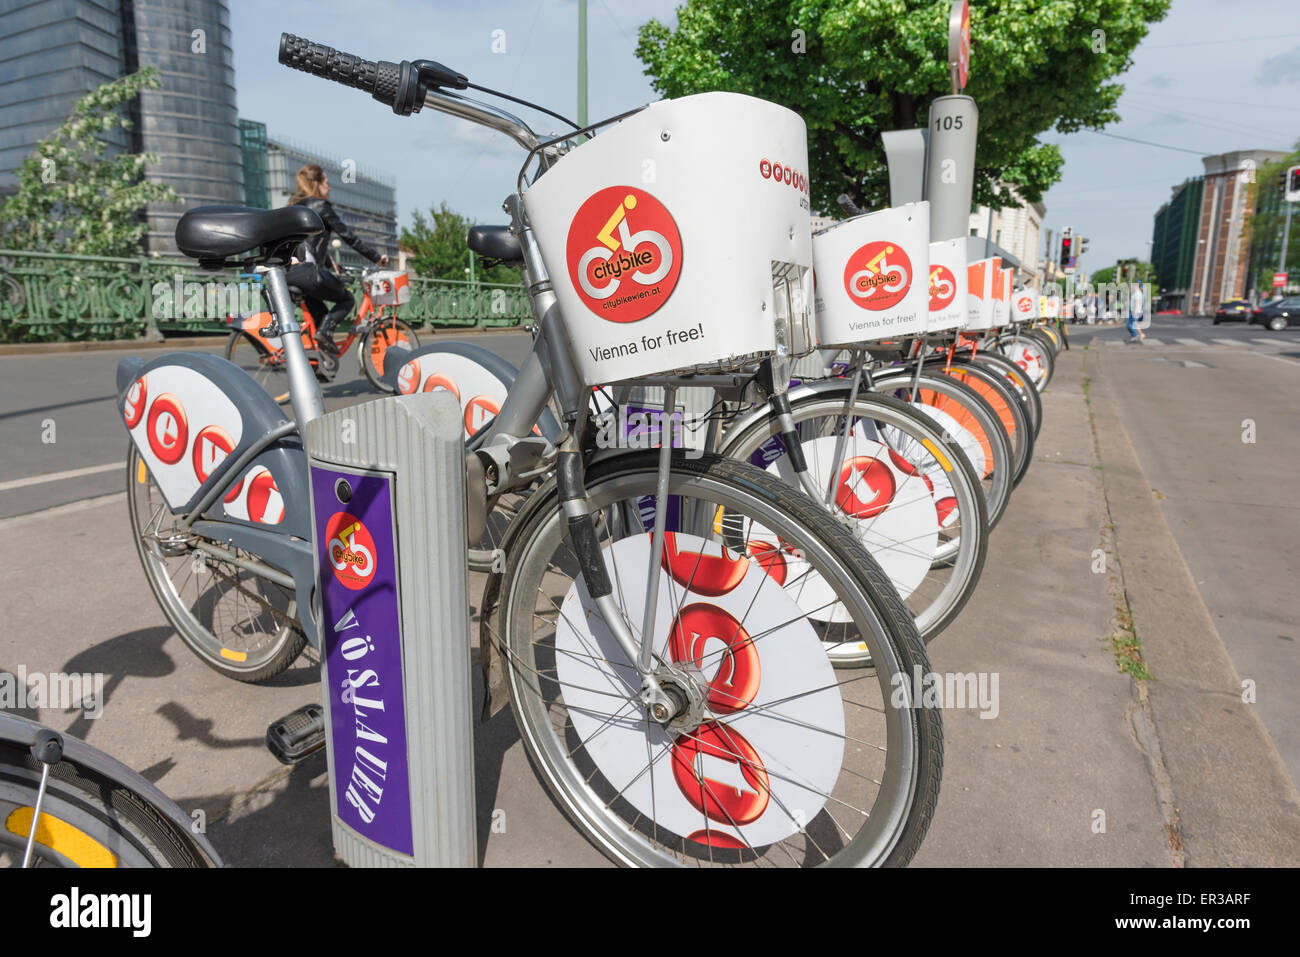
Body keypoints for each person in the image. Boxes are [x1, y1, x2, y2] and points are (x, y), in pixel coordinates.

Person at [286, 164, 388, 356]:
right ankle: (324, 334)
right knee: (347, 299)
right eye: (326, 182)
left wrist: (328, 262)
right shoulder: (320, 206)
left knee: (322, 317)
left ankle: (321, 365)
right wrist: (377, 258)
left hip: (288, 272)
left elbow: (305, 241)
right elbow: (349, 237)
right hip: (307, 273)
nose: (329, 187)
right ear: (316, 184)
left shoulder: (292, 206)